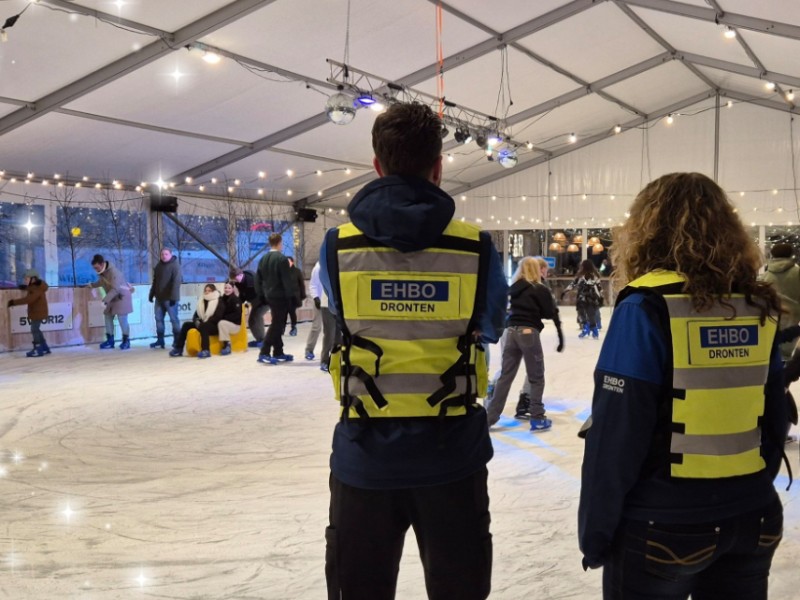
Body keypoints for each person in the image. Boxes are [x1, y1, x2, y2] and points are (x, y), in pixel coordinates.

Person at [320, 102, 507, 600]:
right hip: (453, 458)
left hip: (363, 458)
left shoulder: (338, 246)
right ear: (438, 166)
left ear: (378, 165)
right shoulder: (477, 248)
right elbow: (489, 326)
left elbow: (344, 317)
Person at [578, 172, 788, 600]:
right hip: (752, 515)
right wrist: (745, 488)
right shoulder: (756, 304)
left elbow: (618, 433)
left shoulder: (646, 304)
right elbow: (775, 414)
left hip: (664, 526)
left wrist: (595, 532)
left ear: (646, 230)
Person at [484, 257, 564, 431]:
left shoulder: (511, 288)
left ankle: (489, 418)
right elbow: (548, 312)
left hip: (510, 331)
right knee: (536, 376)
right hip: (528, 333)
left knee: (505, 377)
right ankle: (537, 417)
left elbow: (502, 308)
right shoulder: (539, 288)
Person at [255, 233, 298, 365]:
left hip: (269, 295)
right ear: (279, 242)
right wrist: (291, 297)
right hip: (280, 296)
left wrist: (261, 295)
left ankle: (278, 351)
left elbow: (258, 279)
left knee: (278, 323)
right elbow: (286, 280)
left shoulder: (263, 259)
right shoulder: (281, 259)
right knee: (277, 325)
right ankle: (264, 351)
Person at [760, 242, 800, 360]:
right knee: (790, 350)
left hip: (772, 315)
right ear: (790, 254)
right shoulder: (797, 273)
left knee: (774, 346)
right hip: (794, 316)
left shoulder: (766, 276)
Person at [89, 254, 133, 350]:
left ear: (101, 264)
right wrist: (91, 285)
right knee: (108, 316)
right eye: (94, 268)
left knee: (122, 319)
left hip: (122, 297)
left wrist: (105, 301)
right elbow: (102, 282)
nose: (95, 269)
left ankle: (126, 341)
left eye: (96, 267)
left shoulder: (113, 272)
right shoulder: (103, 272)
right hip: (112, 296)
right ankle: (110, 340)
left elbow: (116, 289)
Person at [169, 284, 223, 359]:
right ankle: (179, 349)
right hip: (202, 324)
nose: (207, 292)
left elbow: (218, 317)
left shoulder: (218, 301)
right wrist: (196, 321)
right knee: (186, 325)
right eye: (206, 290)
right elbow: (196, 315)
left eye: (209, 290)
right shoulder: (201, 301)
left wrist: (204, 323)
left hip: (214, 325)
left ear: (214, 291)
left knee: (204, 326)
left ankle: (206, 350)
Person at [7, 268, 51, 357]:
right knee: (37, 329)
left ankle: (38, 349)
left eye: (27, 279)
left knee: (34, 329)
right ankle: (44, 347)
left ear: (33, 279)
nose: (25, 280)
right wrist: (26, 288)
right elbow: (33, 290)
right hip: (38, 312)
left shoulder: (36, 289)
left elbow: (29, 299)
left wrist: (13, 302)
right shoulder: (36, 286)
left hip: (37, 312)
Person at [304, 261, 339, 371]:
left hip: (338, 304)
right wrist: (316, 298)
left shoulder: (339, 265)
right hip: (324, 302)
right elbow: (313, 285)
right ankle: (321, 358)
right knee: (323, 330)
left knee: (339, 335)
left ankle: (337, 359)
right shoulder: (320, 267)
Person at [148, 247, 182, 349]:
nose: (164, 256)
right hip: (159, 298)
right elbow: (155, 281)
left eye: (166, 254)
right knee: (158, 319)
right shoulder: (159, 266)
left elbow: (176, 282)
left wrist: (173, 297)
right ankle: (160, 340)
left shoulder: (175, 266)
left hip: (170, 298)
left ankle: (177, 340)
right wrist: (151, 293)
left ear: (171, 254)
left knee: (173, 319)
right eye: (162, 254)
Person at [563, 259, 603, 339]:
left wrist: (565, 291)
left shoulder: (586, 276)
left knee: (586, 313)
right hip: (588, 297)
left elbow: (598, 287)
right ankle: (589, 329)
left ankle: (591, 329)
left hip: (586, 298)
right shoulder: (591, 275)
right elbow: (599, 288)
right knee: (586, 313)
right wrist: (600, 297)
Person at [230, 266, 268, 348]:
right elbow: (243, 294)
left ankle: (263, 341)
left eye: (236, 278)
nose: (235, 281)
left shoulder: (252, 280)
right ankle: (259, 339)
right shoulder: (238, 282)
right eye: (233, 279)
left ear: (240, 275)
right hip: (256, 301)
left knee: (257, 317)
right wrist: (239, 303)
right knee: (251, 321)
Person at [217, 281, 242, 356]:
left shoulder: (236, 300)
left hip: (235, 325)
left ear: (233, 289)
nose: (227, 289)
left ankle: (227, 344)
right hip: (226, 322)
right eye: (225, 288)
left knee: (222, 323)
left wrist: (224, 318)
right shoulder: (222, 299)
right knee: (220, 323)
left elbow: (237, 314)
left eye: (229, 288)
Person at [286, 256, 306, 337]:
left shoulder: (297, 271)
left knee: (292, 312)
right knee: (283, 313)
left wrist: (302, 295)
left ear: (292, 262)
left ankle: (294, 328)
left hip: (293, 297)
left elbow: (301, 284)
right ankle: (282, 328)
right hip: (284, 296)